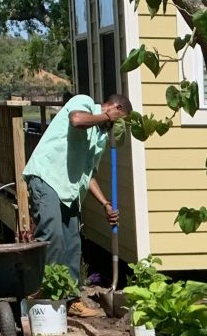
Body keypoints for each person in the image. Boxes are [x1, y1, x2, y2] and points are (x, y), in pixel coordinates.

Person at [22, 91, 131, 315]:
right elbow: (77, 120)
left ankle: (71, 300)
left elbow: (88, 175)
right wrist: (107, 117)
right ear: (115, 109)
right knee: (52, 237)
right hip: (47, 177)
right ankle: (46, 299)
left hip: (68, 190)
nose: (115, 127)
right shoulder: (84, 103)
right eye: (120, 120)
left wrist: (105, 204)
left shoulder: (99, 139)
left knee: (73, 244)